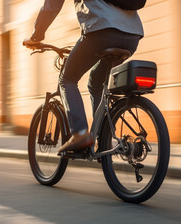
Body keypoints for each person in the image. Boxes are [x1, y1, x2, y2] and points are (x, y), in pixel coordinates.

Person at [23, 0, 144, 153]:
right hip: (132, 36)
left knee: (67, 80)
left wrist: (36, 36)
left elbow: (51, 6)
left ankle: (80, 133)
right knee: (97, 83)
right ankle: (103, 140)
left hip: (101, 30)